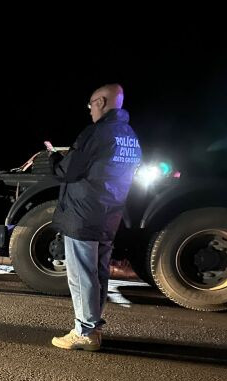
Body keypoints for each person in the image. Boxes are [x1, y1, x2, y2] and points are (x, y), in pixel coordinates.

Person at [50, 84, 142, 351]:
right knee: (99, 274)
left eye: (91, 104)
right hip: (109, 214)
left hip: (83, 213)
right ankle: (93, 329)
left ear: (101, 101)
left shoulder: (96, 132)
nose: (90, 110)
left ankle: (85, 331)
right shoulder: (130, 136)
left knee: (81, 275)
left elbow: (69, 170)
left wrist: (53, 159)